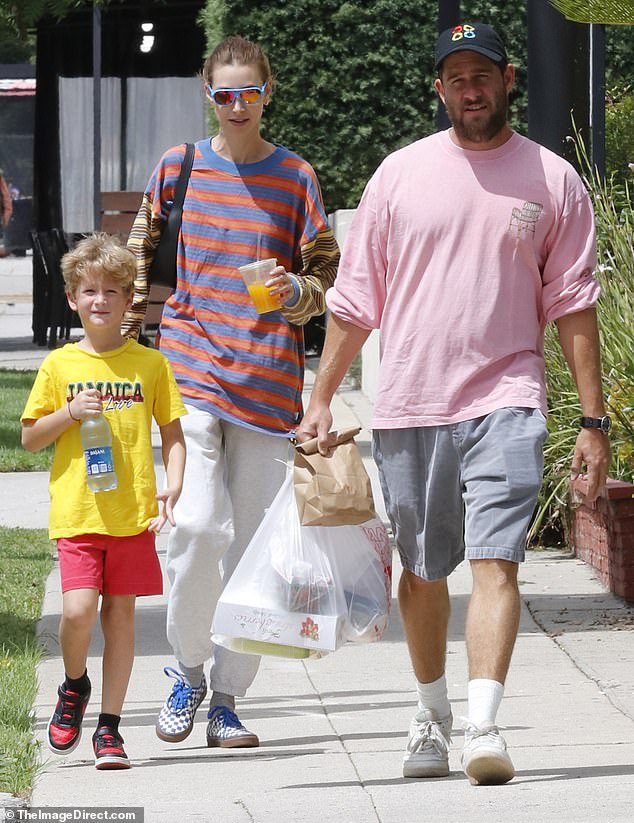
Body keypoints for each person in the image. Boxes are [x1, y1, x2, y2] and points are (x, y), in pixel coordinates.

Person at [297, 22, 611, 786]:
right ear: (440, 90)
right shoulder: (398, 176)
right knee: (424, 569)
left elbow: (574, 304)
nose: (470, 89)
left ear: (508, 79)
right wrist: (321, 394)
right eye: (455, 78)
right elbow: (355, 298)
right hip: (411, 403)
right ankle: (431, 710)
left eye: (482, 75)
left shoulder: (551, 179)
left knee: (498, 560)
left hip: (508, 395)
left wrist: (596, 421)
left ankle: (483, 721)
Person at [122, 35, 339, 748]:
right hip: (191, 370)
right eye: (225, 93)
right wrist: (124, 354)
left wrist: (296, 290)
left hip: (269, 381)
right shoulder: (177, 167)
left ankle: (228, 698)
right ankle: (185, 670)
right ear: (208, 94)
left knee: (253, 550)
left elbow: (329, 281)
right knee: (191, 527)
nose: (238, 105)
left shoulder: (297, 177)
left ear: (267, 93)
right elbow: (134, 259)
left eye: (250, 93)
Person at [21, 233, 186, 770]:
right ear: (72, 298)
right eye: (88, 290)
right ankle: (74, 686)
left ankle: (110, 729)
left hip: (132, 514)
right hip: (78, 512)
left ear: (127, 299)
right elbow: (30, 438)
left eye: (111, 291)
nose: (100, 300)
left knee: (119, 618)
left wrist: (174, 483)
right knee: (76, 612)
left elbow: (173, 433)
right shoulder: (59, 366)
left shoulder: (150, 365)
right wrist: (68, 413)